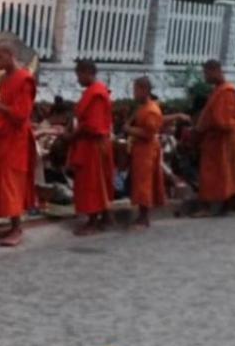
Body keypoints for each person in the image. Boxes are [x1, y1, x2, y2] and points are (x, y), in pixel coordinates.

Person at [0, 36, 36, 247]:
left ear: (10, 56)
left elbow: (21, 114)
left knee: (11, 183)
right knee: (2, 181)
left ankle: (17, 228)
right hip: (3, 137)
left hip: (16, 140)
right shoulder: (5, 80)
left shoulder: (24, 79)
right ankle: (12, 224)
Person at [190, 60, 235, 218]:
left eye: (206, 73)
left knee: (217, 172)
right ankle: (222, 204)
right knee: (219, 172)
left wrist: (201, 129)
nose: (205, 77)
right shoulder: (219, 90)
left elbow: (223, 121)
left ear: (215, 71)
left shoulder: (226, 91)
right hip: (217, 139)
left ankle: (212, 205)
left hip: (222, 139)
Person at [66, 60, 114, 234]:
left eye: (79, 74)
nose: (78, 78)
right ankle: (106, 216)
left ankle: (93, 221)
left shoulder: (97, 93)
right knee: (98, 182)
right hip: (90, 144)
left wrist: (72, 135)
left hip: (93, 145)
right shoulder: (93, 92)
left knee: (92, 183)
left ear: (87, 72)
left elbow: (93, 126)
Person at [125, 77, 166, 228]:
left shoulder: (151, 110)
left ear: (144, 90)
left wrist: (129, 129)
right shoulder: (142, 108)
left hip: (147, 150)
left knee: (144, 183)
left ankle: (144, 217)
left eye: (136, 90)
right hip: (140, 150)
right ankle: (141, 215)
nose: (134, 93)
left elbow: (149, 133)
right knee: (140, 182)